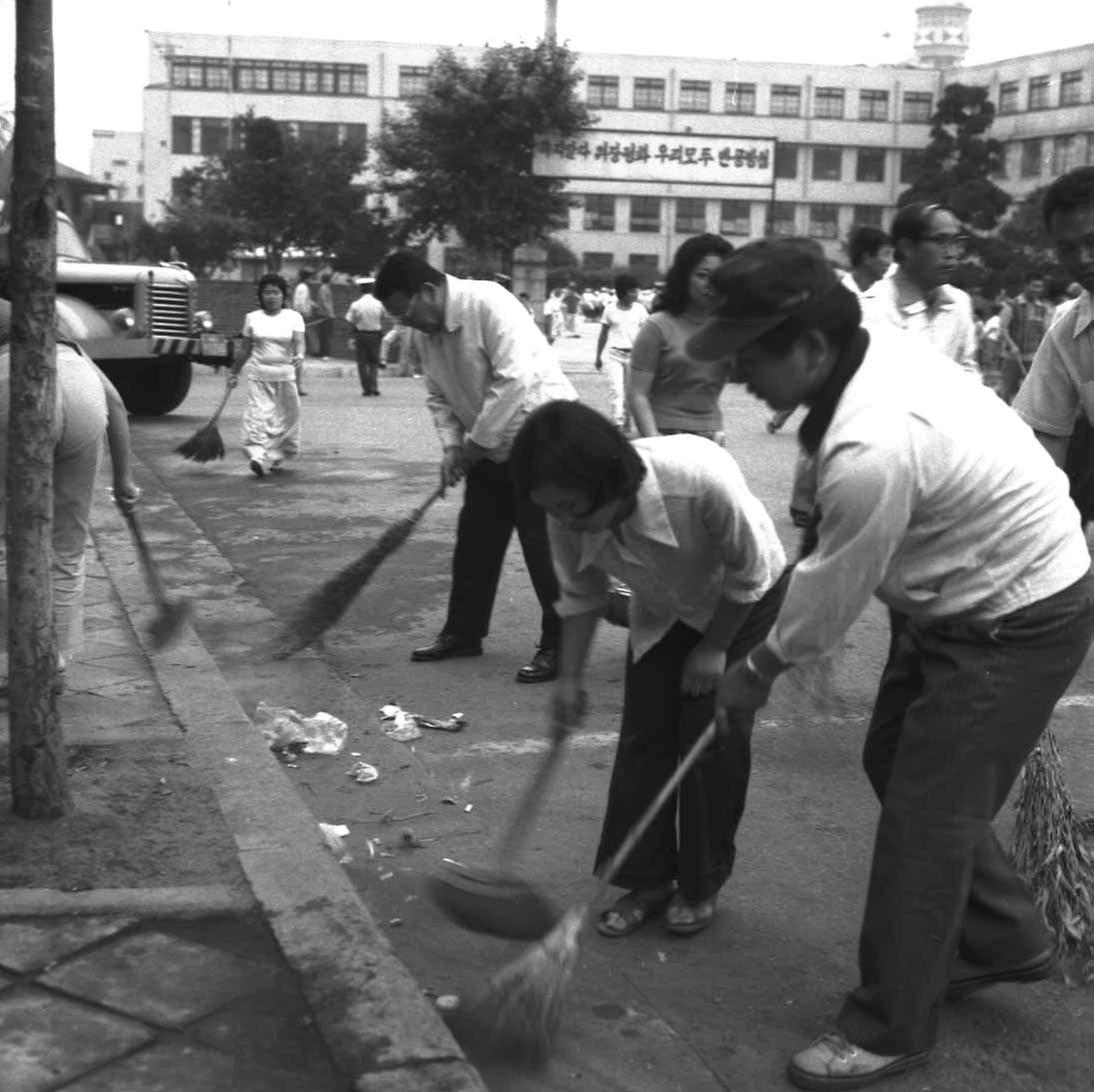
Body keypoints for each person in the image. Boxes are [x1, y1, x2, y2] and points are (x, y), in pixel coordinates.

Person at [686, 238, 1094, 1091]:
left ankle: (890, 1022)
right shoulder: (857, 342)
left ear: (807, 347)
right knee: (893, 761)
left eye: (750, 356)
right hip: (952, 591)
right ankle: (1002, 939)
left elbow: (831, 592)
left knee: (925, 816)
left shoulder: (874, 444)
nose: (740, 377)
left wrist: (754, 669)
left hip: (1013, 615)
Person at [510, 400, 788, 937]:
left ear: (608, 482)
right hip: (664, 605)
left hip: (744, 602)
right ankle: (649, 877)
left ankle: (700, 883)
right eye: (554, 509)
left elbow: (749, 573)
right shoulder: (563, 511)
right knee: (645, 736)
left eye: (572, 507)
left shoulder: (698, 480)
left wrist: (714, 648)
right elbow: (582, 593)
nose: (563, 521)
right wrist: (569, 680)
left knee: (709, 738)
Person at [373, 250, 578, 683]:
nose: (404, 323)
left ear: (427, 291)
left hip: (541, 437)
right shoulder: (426, 331)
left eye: (403, 311)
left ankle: (561, 644)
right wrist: (451, 447)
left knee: (544, 549)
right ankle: (464, 632)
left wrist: (472, 446)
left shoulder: (489, 303)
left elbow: (514, 380)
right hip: (484, 443)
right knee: (475, 542)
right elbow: (437, 395)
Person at [0, 299, 142, 694]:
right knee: (67, 548)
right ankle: (55, 664)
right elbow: (114, 401)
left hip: (12, 382)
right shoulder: (42, 310)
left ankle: (12, 665)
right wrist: (125, 479)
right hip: (82, 386)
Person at [1012, 167, 1094, 522]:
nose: (1084, 259)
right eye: (1068, 248)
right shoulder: (1067, 335)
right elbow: (1044, 442)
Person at [628, 233, 734, 442]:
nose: (710, 284)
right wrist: (655, 441)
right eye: (702, 275)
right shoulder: (657, 326)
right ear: (684, 277)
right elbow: (637, 394)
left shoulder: (730, 329)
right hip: (662, 434)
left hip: (710, 436)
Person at [860, 202, 979, 377]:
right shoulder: (872, 309)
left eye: (956, 242)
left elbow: (969, 371)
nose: (952, 253)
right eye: (940, 241)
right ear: (907, 247)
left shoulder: (959, 303)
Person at [228, 273, 306, 478]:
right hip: (258, 375)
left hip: (285, 375)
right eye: (267, 293)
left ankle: (278, 456)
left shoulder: (293, 317)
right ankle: (258, 455)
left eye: (275, 292)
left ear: (283, 295)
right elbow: (245, 350)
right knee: (258, 416)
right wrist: (233, 372)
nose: (271, 297)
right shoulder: (252, 318)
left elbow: (299, 342)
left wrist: (300, 355)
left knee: (286, 418)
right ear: (260, 296)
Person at [594, 272, 648, 431]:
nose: (635, 294)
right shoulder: (610, 310)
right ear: (622, 292)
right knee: (616, 390)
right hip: (615, 355)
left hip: (634, 356)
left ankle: (627, 421)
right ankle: (617, 422)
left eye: (636, 290)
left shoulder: (640, 309)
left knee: (631, 391)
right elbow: (603, 334)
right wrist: (598, 356)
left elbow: (647, 333)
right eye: (632, 291)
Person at [998, 272, 1057, 403]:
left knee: (1032, 393)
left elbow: (1043, 331)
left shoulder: (1042, 308)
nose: (1037, 290)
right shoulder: (1011, 305)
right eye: (1034, 286)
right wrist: (1011, 345)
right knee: (1006, 391)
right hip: (1012, 357)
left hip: (1032, 357)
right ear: (1026, 286)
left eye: (1040, 287)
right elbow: (1003, 328)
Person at [345, 277, 386, 396]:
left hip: (361, 335)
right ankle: (374, 386)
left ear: (360, 289)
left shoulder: (356, 305)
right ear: (372, 288)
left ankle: (366, 388)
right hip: (375, 335)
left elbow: (350, 321)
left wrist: (351, 336)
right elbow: (384, 317)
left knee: (362, 363)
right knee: (374, 361)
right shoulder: (379, 304)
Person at [839, 225, 894, 298]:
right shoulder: (840, 293)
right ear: (866, 258)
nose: (890, 262)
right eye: (886, 254)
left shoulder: (889, 293)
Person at [292, 269, 315, 392]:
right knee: (299, 352)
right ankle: (297, 386)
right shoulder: (303, 287)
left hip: (300, 317)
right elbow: (300, 303)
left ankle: (297, 385)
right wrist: (304, 315)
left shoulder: (301, 287)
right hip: (301, 318)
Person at [315, 271, 336, 361]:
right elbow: (324, 302)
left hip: (324, 314)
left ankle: (322, 353)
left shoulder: (324, 288)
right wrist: (330, 313)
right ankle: (325, 354)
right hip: (325, 315)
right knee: (326, 335)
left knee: (324, 334)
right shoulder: (324, 288)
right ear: (329, 279)